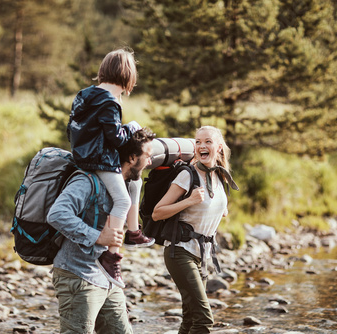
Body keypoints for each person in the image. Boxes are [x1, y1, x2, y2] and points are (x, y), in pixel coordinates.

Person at [47, 128, 155, 334]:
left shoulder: (124, 187)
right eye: (147, 156)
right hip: (77, 274)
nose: (150, 162)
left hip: (107, 278)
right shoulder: (89, 181)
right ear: (132, 158)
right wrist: (97, 236)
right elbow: (57, 214)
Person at [66, 48, 154, 288]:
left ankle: (133, 232)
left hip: (81, 155)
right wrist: (132, 127)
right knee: (122, 201)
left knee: (134, 182)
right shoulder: (110, 102)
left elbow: (73, 127)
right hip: (100, 160)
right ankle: (111, 256)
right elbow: (116, 138)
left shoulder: (84, 94)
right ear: (128, 77)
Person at [152, 125, 239, 334]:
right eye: (198, 142)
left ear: (218, 147)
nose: (202, 146)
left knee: (190, 318)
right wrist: (189, 201)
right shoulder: (186, 176)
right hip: (179, 251)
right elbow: (158, 212)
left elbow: (220, 209)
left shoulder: (220, 176)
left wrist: (218, 210)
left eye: (208, 141)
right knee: (204, 320)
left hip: (203, 255)